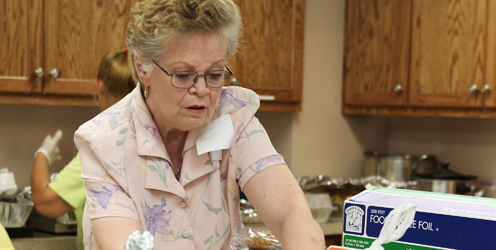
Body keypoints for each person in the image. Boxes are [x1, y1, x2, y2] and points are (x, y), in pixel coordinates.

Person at [73, 0, 325, 249]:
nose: (203, 89)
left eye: (215, 74)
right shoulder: (104, 142)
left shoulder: (232, 118)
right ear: (143, 68)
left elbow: (291, 213)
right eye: (183, 75)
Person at [31, 49, 137, 250]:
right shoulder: (146, 139)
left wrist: (41, 156)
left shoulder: (102, 147)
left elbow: (45, 203)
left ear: (99, 86)